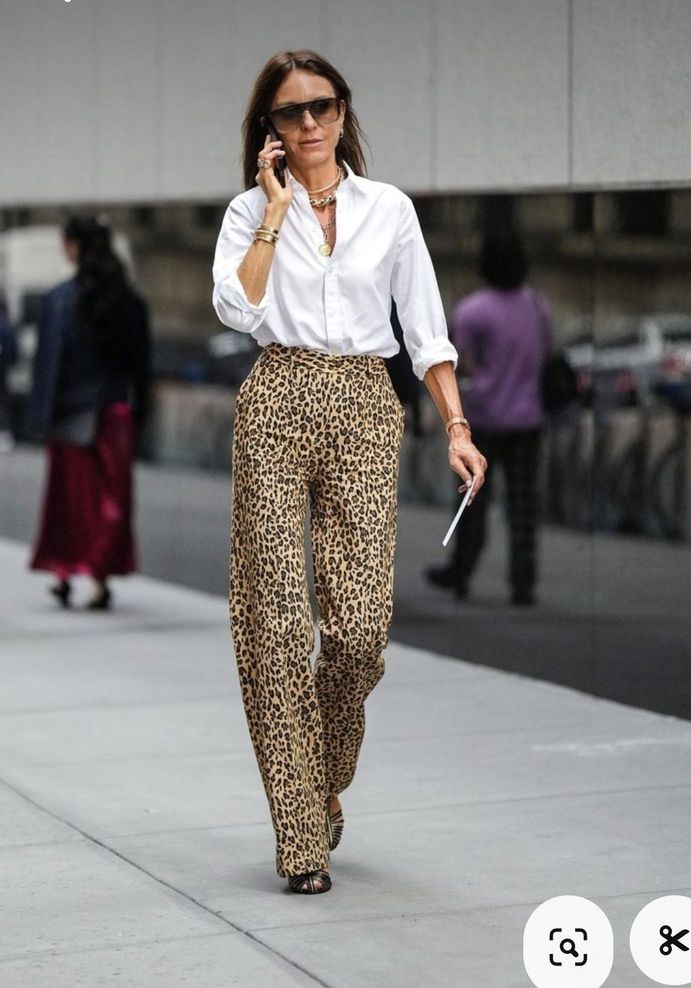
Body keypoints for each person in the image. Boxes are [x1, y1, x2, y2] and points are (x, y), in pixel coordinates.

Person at [212, 49, 487, 895]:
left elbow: (427, 329)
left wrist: (457, 426)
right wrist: (270, 212)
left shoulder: (389, 211)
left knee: (361, 629)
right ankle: (300, 834)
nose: (310, 124)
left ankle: (321, 774)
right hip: (279, 394)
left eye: (322, 107)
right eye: (291, 114)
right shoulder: (247, 213)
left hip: (368, 403)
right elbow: (237, 306)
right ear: (271, 131)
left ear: (342, 112)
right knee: (277, 624)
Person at [425, 226, 553, 605]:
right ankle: (523, 582)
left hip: (484, 418)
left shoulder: (473, 310)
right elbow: (545, 356)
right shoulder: (536, 306)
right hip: (528, 420)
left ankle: (461, 571)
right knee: (524, 506)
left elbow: (460, 364)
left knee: (471, 500)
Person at [29, 215, 151, 610]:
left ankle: (63, 573)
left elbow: (49, 364)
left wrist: (42, 417)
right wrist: (141, 418)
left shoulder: (59, 300)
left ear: (74, 247)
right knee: (110, 502)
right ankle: (101, 579)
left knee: (67, 502)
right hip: (115, 414)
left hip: (70, 415)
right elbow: (142, 367)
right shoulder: (130, 302)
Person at [0, 296, 18, 452]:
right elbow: (13, 349)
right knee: (3, 401)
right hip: (3, 367)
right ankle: (4, 432)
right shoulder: (6, 324)